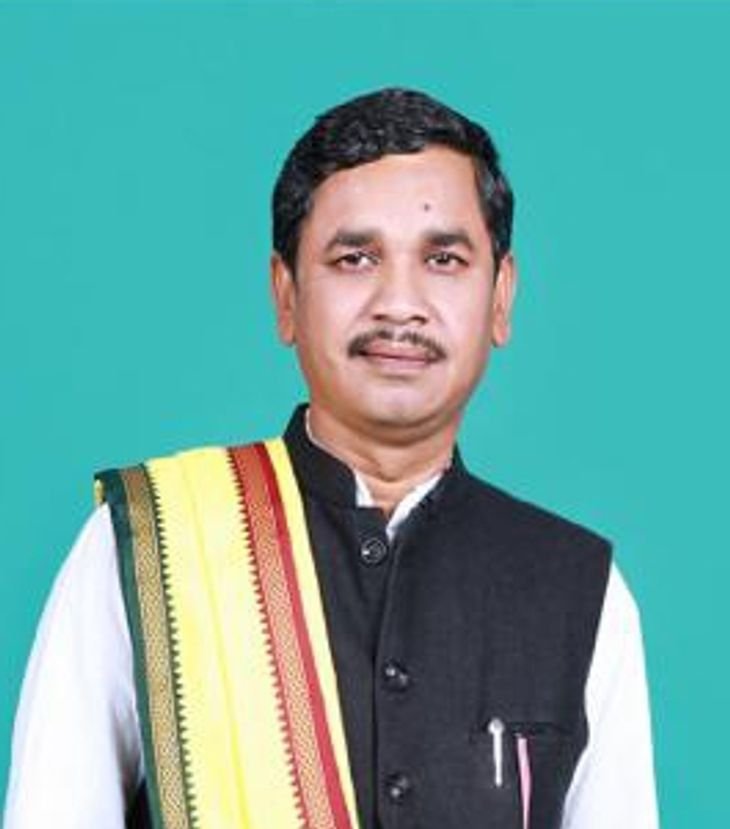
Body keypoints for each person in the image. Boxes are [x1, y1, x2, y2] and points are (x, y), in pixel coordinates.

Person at [4, 88, 659, 829]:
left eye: (443, 258)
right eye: (355, 258)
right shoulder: (148, 546)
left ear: (500, 297)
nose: (399, 304)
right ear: (286, 295)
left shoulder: (579, 589)